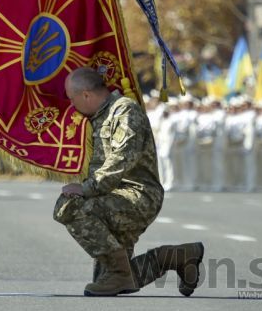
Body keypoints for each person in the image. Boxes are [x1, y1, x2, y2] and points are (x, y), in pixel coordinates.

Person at [54, 67, 204, 297]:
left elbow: (121, 159)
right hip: (114, 195)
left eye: (71, 98)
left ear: (85, 94)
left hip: (137, 195)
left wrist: (86, 189)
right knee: (114, 279)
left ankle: (118, 272)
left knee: (70, 206)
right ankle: (180, 256)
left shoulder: (124, 111)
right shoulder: (99, 116)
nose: (70, 104)